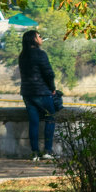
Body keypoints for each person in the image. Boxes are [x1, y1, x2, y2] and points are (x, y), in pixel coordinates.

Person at [18, 29, 60, 161]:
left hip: (27, 93)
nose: (41, 38)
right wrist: (52, 88)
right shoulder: (40, 54)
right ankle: (48, 150)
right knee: (50, 118)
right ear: (34, 39)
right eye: (39, 36)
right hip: (42, 92)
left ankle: (35, 152)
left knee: (34, 123)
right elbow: (49, 73)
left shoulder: (22, 56)